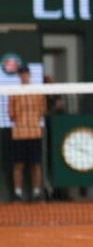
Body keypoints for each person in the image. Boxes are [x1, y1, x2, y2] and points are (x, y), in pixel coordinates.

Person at [9, 65, 47, 202]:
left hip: (35, 133)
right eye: (21, 74)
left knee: (36, 165)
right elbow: (11, 114)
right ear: (19, 76)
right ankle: (17, 193)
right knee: (18, 165)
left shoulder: (38, 92)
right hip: (19, 134)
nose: (24, 76)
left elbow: (42, 111)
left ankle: (37, 193)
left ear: (30, 75)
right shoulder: (14, 93)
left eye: (26, 74)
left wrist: (32, 123)